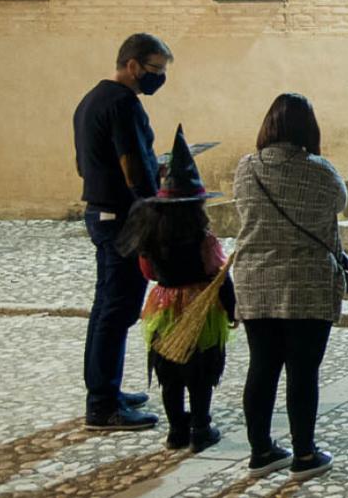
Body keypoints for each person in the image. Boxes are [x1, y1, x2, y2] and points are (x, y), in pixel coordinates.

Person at [232, 93, 347, 481]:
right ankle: (304, 454)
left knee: (262, 366)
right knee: (303, 371)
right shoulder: (321, 171)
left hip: (255, 281)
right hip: (306, 284)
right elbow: (339, 201)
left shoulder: (245, 169)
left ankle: (261, 451)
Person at [73, 32, 173, 430]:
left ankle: (105, 390)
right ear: (132, 65)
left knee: (105, 308)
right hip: (122, 219)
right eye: (154, 70)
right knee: (117, 310)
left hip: (100, 212)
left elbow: (90, 162)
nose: (158, 79)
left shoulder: (90, 100)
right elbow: (131, 165)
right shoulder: (123, 104)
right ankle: (102, 405)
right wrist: (155, 200)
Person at [117, 125, 234, 453]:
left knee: (169, 371)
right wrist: (231, 306)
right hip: (199, 306)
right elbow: (217, 272)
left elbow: (147, 271)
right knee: (200, 370)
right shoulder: (203, 237)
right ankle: (200, 427)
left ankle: (176, 431)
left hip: (164, 305)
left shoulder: (150, 235)